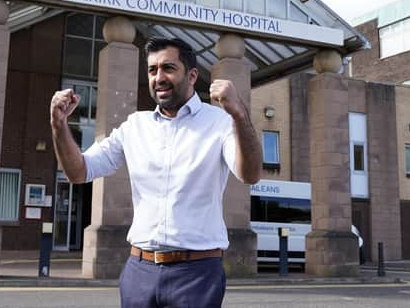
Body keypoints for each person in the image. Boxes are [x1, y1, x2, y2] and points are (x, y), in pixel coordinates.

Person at [50, 37, 262, 308]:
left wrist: (240, 115)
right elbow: (79, 171)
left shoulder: (219, 123)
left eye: (168, 68)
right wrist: (58, 124)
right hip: (140, 270)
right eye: (152, 70)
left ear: (192, 75)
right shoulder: (134, 126)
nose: (159, 77)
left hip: (196, 273)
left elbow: (250, 174)